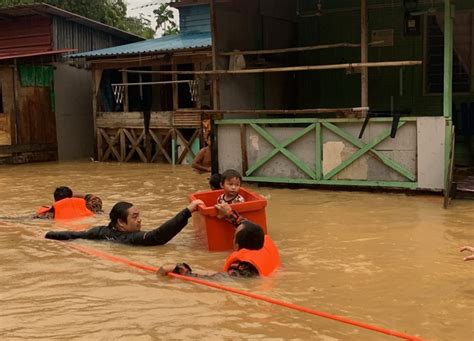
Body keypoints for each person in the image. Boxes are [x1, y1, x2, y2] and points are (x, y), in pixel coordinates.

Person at [159, 203, 280, 278]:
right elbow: (245, 225)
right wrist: (230, 214)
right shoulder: (263, 240)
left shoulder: (242, 268)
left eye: (234, 235)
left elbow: (214, 280)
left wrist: (179, 269)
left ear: (236, 246)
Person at [44, 200, 204, 246]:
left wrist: (48, 235)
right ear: (120, 223)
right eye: (134, 217)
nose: (139, 220)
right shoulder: (131, 238)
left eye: (139, 215)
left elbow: (73, 235)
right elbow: (158, 236)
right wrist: (187, 211)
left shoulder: (99, 231)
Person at [35, 186, 103, 220]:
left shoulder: (50, 215)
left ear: (56, 200)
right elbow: (96, 199)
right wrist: (74, 196)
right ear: (72, 197)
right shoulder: (89, 208)